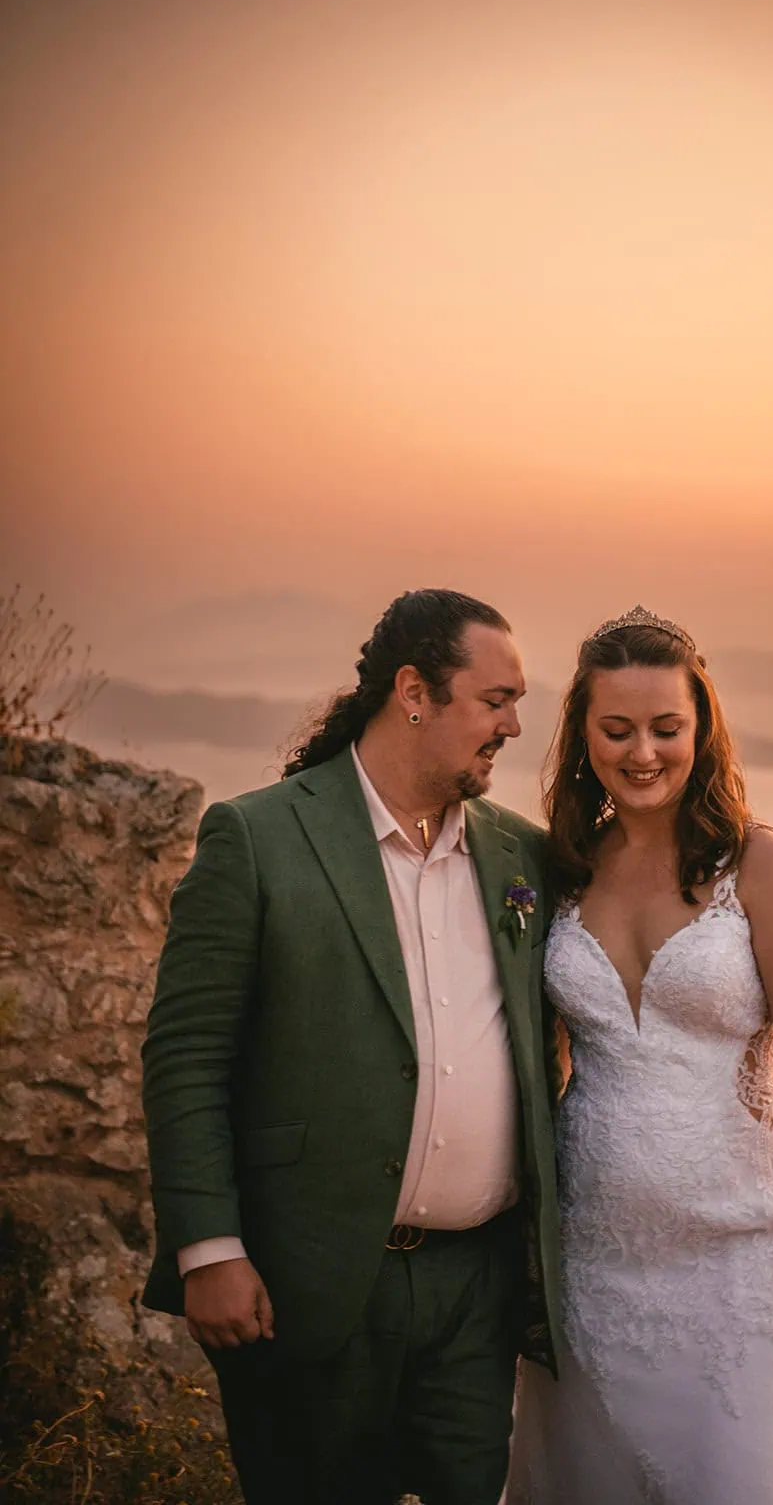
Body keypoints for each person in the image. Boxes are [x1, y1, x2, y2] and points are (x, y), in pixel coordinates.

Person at [141, 589, 561, 1505]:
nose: (515, 725)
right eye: (496, 700)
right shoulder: (257, 838)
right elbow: (187, 1057)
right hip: (310, 1279)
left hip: (476, 1286)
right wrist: (208, 1249)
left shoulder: (524, 858)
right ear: (415, 691)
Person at [507, 605, 773, 1505]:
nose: (643, 751)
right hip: (595, 1263)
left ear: (701, 731)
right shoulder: (558, 870)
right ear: (584, 736)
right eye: (617, 729)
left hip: (746, 1257)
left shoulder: (760, 869)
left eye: (666, 728)